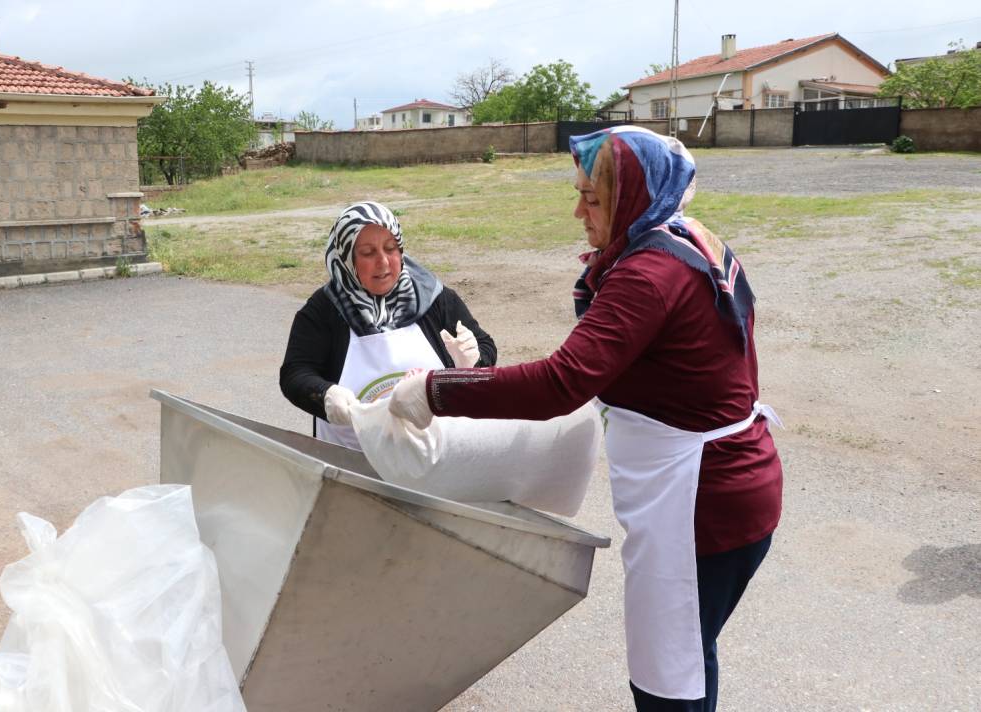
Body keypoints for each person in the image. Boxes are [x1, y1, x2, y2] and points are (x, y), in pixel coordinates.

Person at [389, 126, 783, 711]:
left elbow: (561, 383)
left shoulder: (648, 274)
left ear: (633, 198)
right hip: (730, 481)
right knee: (690, 657)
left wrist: (435, 390)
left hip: (699, 502)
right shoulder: (681, 235)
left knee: (667, 679)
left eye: (592, 198)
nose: (578, 211)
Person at [280, 200, 496, 450]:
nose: (383, 262)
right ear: (346, 257)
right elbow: (295, 374)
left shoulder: (433, 297)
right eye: (368, 253)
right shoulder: (323, 310)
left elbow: (485, 345)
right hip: (354, 462)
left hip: (436, 457)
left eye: (391, 248)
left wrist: (472, 363)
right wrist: (325, 394)